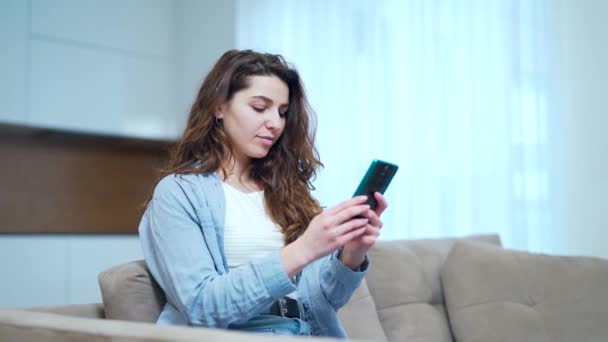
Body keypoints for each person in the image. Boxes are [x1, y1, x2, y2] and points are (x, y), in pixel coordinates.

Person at [138, 49, 388, 337]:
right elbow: (203, 306)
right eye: (259, 108)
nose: (275, 123)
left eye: (282, 112)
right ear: (219, 107)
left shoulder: (287, 191)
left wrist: (351, 254)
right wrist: (304, 249)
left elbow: (324, 302)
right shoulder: (178, 193)